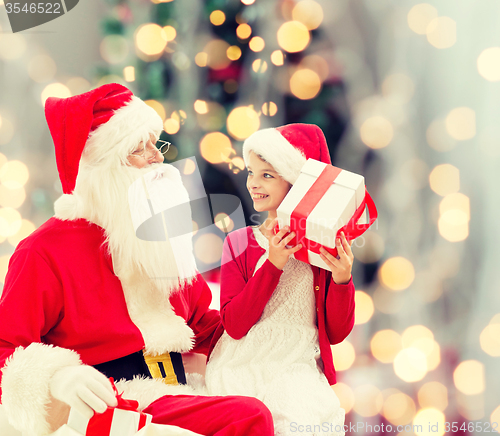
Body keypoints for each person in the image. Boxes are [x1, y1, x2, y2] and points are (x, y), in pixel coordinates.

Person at [0, 83, 273, 436]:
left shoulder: (160, 234)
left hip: (180, 387)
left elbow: (202, 323)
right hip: (118, 400)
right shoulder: (44, 250)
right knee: (247, 417)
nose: (158, 158)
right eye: (137, 149)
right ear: (103, 166)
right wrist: (59, 376)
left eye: (154, 144)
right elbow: (6, 348)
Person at [205, 124, 356, 436]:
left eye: (268, 175)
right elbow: (234, 324)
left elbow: (337, 332)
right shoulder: (240, 242)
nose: (253, 184)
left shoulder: (323, 248)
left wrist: (342, 280)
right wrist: (273, 263)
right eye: (251, 172)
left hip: (299, 365)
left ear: (297, 183)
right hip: (245, 362)